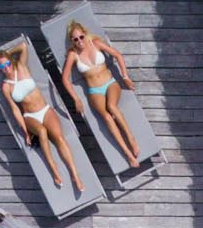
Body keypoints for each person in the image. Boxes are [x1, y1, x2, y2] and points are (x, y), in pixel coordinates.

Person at [0, 44, 83, 192]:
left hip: (45, 110)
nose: (6, 67)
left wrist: (4, 54)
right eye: (2, 66)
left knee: (59, 138)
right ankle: (53, 168)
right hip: (29, 116)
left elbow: (23, 46)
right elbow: (15, 110)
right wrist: (26, 132)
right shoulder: (6, 87)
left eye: (7, 63)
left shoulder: (21, 67)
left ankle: (75, 175)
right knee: (41, 132)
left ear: (11, 61)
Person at [59, 22, 141, 169]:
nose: (79, 41)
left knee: (111, 106)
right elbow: (64, 79)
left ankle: (131, 137)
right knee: (107, 118)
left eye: (81, 37)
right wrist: (76, 99)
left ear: (85, 33)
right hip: (94, 91)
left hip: (110, 83)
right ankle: (128, 153)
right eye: (75, 39)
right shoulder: (73, 54)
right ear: (72, 41)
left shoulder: (95, 43)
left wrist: (125, 76)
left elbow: (117, 55)